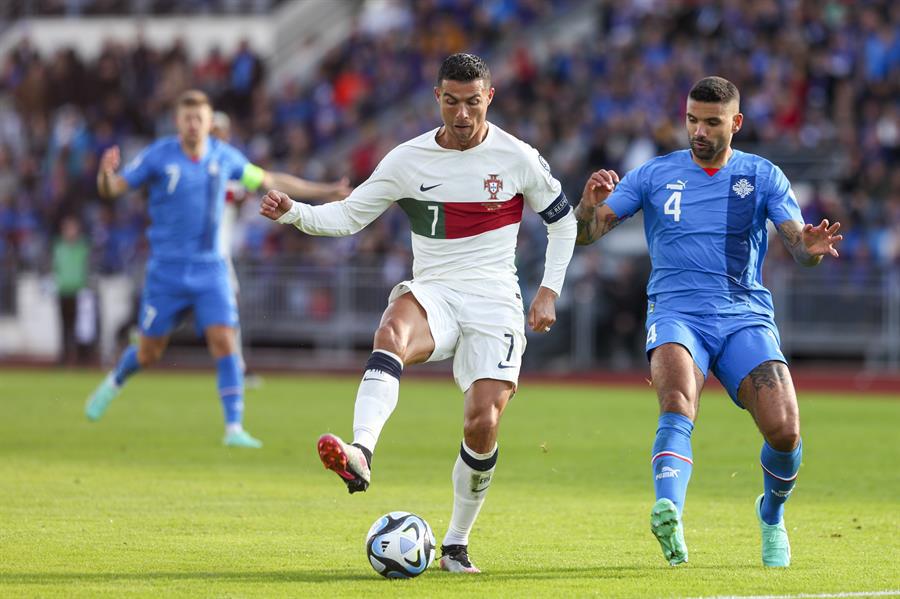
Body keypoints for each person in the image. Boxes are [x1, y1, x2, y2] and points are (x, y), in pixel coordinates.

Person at [260, 53, 577, 573]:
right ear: (437, 98)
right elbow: (348, 215)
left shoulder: (518, 157)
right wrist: (295, 212)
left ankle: (455, 543)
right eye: (451, 101)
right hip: (435, 291)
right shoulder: (407, 160)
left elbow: (563, 224)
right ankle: (361, 452)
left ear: (489, 98)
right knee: (390, 330)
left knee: (483, 422)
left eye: (473, 102)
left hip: (495, 299)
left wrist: (549, 291)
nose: (462, 114)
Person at [574, 76, 843, 567]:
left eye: (711, 122)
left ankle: (771, 513)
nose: (698, 130)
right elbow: (589, 234)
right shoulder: (654, 175)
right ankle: (669, 513)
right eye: (692, 120)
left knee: (784, 431)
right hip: (677, 313)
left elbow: (798, 246)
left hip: (744, 317)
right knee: (678, 403)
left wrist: (810, 249)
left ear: (735, 123)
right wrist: (586, 209)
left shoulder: (763, 176)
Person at [85, 89, 351, 448]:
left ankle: (234, 428)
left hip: (211, 268)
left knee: (225, 341)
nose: (193, 124)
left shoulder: (224, 157)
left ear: (210, 123)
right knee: (150, 351)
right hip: (167, 270)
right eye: (187, 118)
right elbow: (113, 189)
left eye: (199, 118)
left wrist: (324, 191)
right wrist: (105, 176)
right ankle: (114, 380)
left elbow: (270, 180)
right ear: (177, 122)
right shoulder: (159, 156)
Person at [53, 215, 94, 365]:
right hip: (63, 291)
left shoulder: (83, 247)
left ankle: (82, 357)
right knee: (64, 326)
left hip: (80, 291)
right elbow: (54, 267)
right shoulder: (58, 247)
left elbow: (90, 266)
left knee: (82, 327)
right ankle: (64, 356)